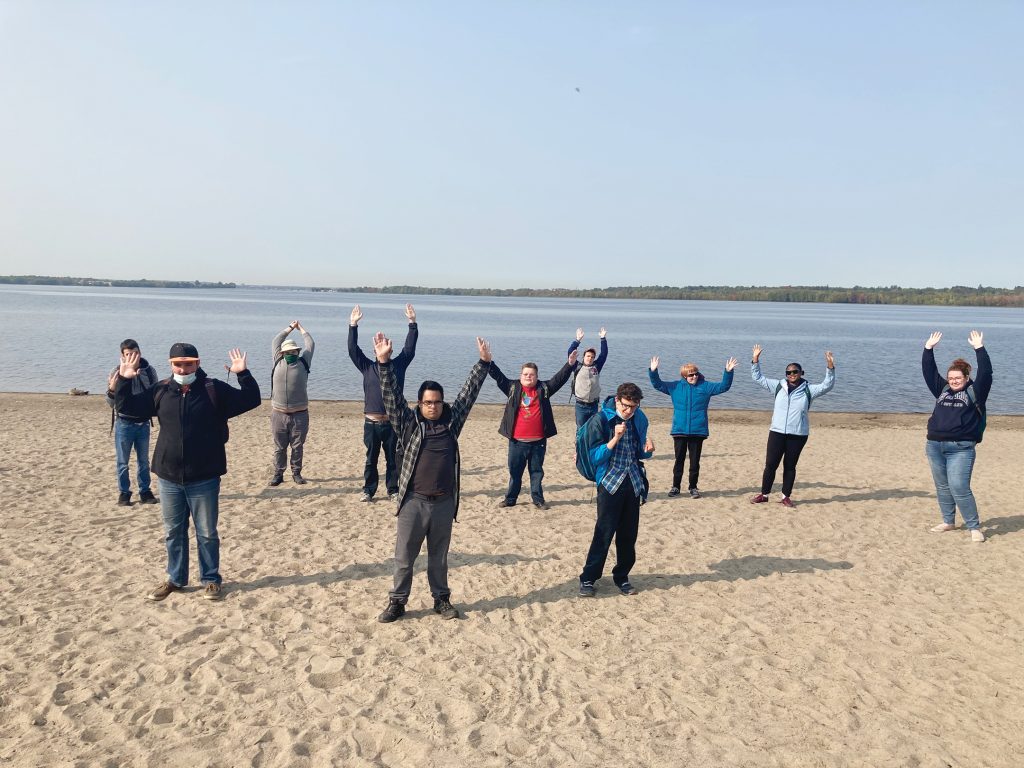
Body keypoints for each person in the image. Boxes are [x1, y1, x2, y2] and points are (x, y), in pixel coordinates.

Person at [114, 342, 261, 601]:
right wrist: (124, 380)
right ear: (171, 365)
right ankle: (175, 579)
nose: (183, 368)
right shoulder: (160, 390)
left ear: (198, 363)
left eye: (189, 363)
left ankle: (211, 579)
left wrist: (243, 374)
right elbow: (126, 408)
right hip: (169, 477)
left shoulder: (213, 389)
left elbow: (252, 399)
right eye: (178, 364)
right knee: (174, 531)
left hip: (204, 476)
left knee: (206, 532)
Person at [374, 333, 492, 623]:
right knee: (404, 559)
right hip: (413, 502)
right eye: (428, 402)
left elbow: (468, 394)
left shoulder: (452, 423)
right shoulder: (408, 424)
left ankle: (441, 600)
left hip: (443, 503)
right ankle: (397, 602)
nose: (433, 407)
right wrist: (384, 362)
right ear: (420, 403)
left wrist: (483, 364)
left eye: (437, 402)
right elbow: (390, 397)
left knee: (438, 559)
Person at [578, 383, 654, 597]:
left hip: (633, 482)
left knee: (629, 535)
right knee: (603, 532)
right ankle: (588, 579)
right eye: (626, 405)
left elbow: (638, 452)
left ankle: (622, 577)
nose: (629, 410)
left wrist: (647, 452)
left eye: (634, 406)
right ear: (618, 400)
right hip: (609, 482)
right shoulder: (600, 420)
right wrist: (615, 439)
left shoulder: (640, 418)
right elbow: (594, 457)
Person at [922, 330, 992, 543]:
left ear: (966, 378)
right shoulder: (942, 389)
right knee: (942, 486)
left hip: (961, 448)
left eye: (957, 378)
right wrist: (928, 349)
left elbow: (986, 374)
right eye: (951, 378)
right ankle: (948, 521)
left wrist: (979, 349)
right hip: (934, 446)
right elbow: (928, 371)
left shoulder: (975, 392)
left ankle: (974, 527)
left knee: (959, 486)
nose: (953, 381)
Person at [489, 349, 577, 509]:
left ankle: (538, 499)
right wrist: (488, 361)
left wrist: (570, 364)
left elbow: (559, 378)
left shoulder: (544, 388)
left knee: (536, 473)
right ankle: (510, 499)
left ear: (537, 376)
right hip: (517, 442)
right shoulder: (512, 388)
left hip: (538, 443)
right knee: (515, 473)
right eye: (525, 374)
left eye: (532, 374)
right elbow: (498, 376)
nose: (528, 377)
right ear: (520, 376)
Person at [750, 346, 835, 507]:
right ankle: (764, 494)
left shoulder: (809, 390)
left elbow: (827, 385)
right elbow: (758, 378)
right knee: (770, 464)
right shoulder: (777, 386)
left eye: (795, 371)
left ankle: (785, 497)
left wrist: (830, 367)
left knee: (790, 466)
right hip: (776, 432)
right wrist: (755, 360)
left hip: (798, 434)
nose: (792, 375)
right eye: (788, 372)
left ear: (801, 373)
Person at [349, 303, 418, 502]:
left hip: (392, 423)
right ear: (374, 351)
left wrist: (412, 323)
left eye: (386, 343)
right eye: (378, 346)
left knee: (393, 459)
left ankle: (393, 490)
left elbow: (410, 349)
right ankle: (368, 490)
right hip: (371, 423)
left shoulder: (399, 365)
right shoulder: (367, 367)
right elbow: (353, 350)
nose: (382, 346)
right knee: (371, 459)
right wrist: (353, 325)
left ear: (391, 348)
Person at [649, 355, 737, 498]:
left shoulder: (705, 386)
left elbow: (723, 386)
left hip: (698, 430)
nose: (694, 377)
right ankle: (675, 487)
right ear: (684, 376)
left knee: (695, 462)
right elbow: (657, 384)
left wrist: (728, 372)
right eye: (690, 375)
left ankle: (693, 487)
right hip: (679, 430)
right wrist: (653, 371)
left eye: (695, 374)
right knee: (679, 460)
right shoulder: (675, 387)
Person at [105, 339, 159, 506]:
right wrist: (113, 389)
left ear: (140, 353)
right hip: (124, 423)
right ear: (122, 356)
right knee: (123, 462)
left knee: (143, 461)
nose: (131, 357)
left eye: (134, 353)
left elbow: (155, 395)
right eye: (127, 354)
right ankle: (124, 493)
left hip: (142, 423)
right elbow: (112, 403)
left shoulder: (149, 371)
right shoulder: (117, 372)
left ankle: (145, 491)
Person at [269, 320, 315, 486]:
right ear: (282, 352)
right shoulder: (277, 360)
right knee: (279, 447)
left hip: (300, 414)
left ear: (297, 351)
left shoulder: (304, 363)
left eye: (293, 351)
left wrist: (301, 328)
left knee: (297, 446)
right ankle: (278, 474)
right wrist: (290, 328)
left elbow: (310, 343)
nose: (290, 353)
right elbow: (276, 341)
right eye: (287, 351)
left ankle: (296, 473)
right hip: (278, 414)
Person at [567, 327, 609, 427]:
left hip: (593, 404)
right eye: (588, 356)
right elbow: (570, 352)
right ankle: (579, 443)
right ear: (584, 357)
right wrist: (577, 340)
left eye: (592, 357)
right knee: (580, 429)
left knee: (592, 428)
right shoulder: (577, 366)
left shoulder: (596, 367)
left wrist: (603, 339)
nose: (590, 358)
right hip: (580, 405)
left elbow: (604, 354)